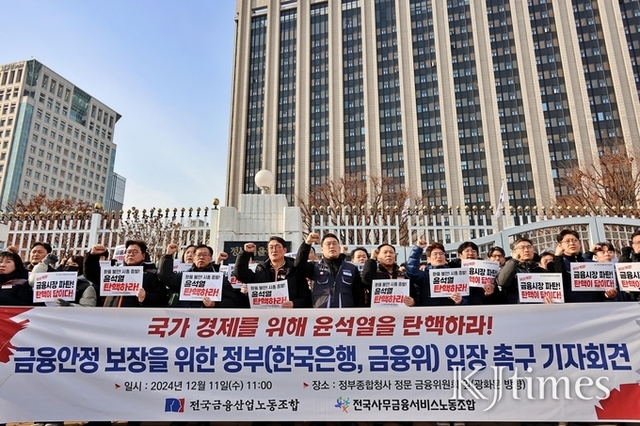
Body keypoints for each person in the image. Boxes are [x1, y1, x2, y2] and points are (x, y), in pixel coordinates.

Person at [233, 237, 311, 308]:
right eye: (271, 247)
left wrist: (294, 303)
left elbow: (306, 298)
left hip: (289, 317)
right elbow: (240, 274)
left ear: (285, 250)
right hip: (265, 316)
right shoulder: (261, 270)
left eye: (277, 247)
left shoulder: (295, 270)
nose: (274, 250)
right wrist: (245, 253)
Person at [85, 240, 167, 307]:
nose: (131, 254)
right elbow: (92, 275)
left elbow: (162, 299)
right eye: (128, 252)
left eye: (135, 252)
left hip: (136, 319)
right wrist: (92, 256)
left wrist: (145, 297)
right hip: (110, 316)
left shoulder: (152, 275)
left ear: (143, 255)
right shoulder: (115, 272)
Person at [295, 232, 366, 308]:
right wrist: (307, 243)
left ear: (339, 248)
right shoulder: (315, 267)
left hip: (346, 316)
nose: (332, 246)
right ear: (322, 249)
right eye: (328, 244)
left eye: (334, 244)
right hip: (320, 316)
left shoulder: (351, 268)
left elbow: (359, 296)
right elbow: (299, 265)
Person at [547, 229, 618, 303]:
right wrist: (557, 256)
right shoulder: (553, 265)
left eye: (575, 240)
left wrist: (607, 294)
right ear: (560, 245)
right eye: (567, 241)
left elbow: (600, 290)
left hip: (594, 308)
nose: (572, 243)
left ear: (580, 243)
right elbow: (559, 284)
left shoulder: (592, 264)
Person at [159, 243, 236, 308]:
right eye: (198, 255)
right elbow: (166, 277)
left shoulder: (219, 278)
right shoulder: (185, 277)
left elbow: (232, 301)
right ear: (194, 258)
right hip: (185, 318)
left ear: (211, 258)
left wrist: (214, 304)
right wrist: (168, 255)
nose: (201, 257)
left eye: (205, 255)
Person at [406, 240, 465, 306]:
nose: (439, 256)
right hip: (429, 313)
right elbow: (411, 271)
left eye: (441, 254)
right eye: (435, 254)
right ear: (428, 259)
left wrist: (461, 301)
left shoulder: (455, 274)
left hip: (452, 313)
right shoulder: (425, 275)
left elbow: (466, 297)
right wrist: (417, 249)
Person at [496, 238, 547, 304]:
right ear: (514, 252)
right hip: (517, 311)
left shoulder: (542, 272)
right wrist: (514, 260)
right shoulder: (510, 270)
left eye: (529, 247)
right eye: (522, 247)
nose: (526, 250)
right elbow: (502, 282)